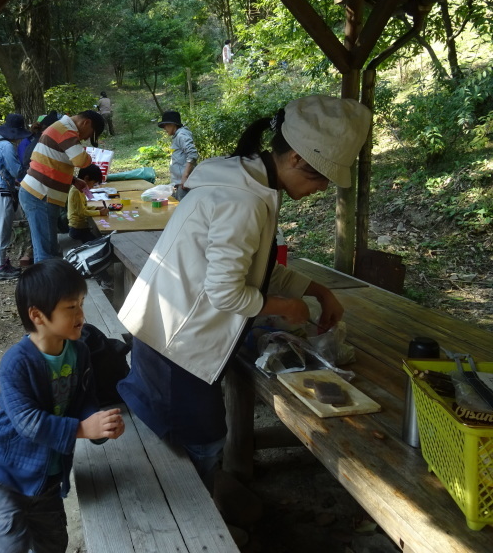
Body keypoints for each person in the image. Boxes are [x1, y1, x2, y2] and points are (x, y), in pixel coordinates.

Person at [117, 95, 371, 489]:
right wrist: (286, 307)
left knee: (196, 432)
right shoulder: (244, 201)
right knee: (202, 441)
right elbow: (224, 292)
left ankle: (211, 499)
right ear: (296, 160)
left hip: (167, 330)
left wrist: (318, 290)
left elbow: (256, 266)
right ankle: (200, 519)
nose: (322, 189)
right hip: (179, 343)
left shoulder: (245, 180)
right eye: (321, 178)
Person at [0, 259, 125, 553]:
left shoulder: (80, 352)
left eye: (81, 304)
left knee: (53, 544)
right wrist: (82, 428)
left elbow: (84, 399)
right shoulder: (17, 362)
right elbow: (28, 422)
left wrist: (97, 423)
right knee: (9, 546)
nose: (81, 314)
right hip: (7, 471)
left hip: (49, 474)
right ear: (38, 315)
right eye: (71, 307)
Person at [18, 110, 104, 262]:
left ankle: (52, 282)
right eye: (90, 135)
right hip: (40, 195)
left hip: (41, 194)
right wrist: (90, 157)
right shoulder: (65, 130)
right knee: (46, 253)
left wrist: (73, 180)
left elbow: (52, 162)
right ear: (86, 123)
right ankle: (48, 284)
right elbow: (81, 160)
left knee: (50, 248)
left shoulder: (62, 128)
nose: (85, 139)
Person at [0, 114, 32, 281]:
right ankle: (0, 268)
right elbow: (16, 171)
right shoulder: (6, 146)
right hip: (2, 193)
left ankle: (3, 264)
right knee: (1, 232)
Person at [158, 110, 198, 201]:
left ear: (173, 124)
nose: (164, 128)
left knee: (183, 209)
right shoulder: (178, 135)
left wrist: (185, 176)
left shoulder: (181, 135)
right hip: (179, 183)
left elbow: (192, 154)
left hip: (184, 183)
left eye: (166, 125)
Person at [67, 164, 107, 243]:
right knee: (100, 243)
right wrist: (100, 212)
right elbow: (82, 212)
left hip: (82, 227)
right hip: (77, 229)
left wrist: (96, 208)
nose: (92, 187)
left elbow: (83, 206)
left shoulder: (81, 189)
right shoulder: (76, 191)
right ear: (86, 178)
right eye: (93, 183)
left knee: (99, 238)